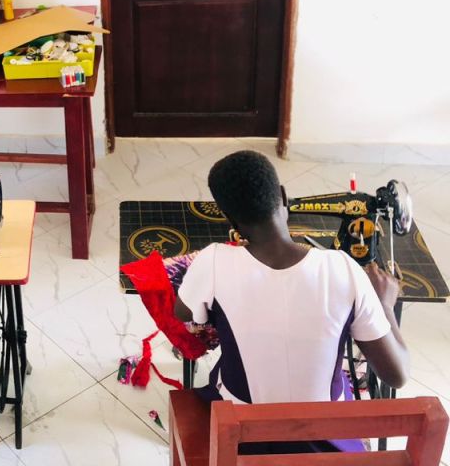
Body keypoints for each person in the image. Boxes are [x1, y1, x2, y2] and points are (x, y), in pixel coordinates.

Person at [175, 150, 410, 454]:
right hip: (325, 444)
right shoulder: (344, 268)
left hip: (240, 440)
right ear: (284, 197)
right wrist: (386, 307)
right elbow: (397, 375)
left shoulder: (213, 261)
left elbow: (182, 312)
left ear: (229, 219)